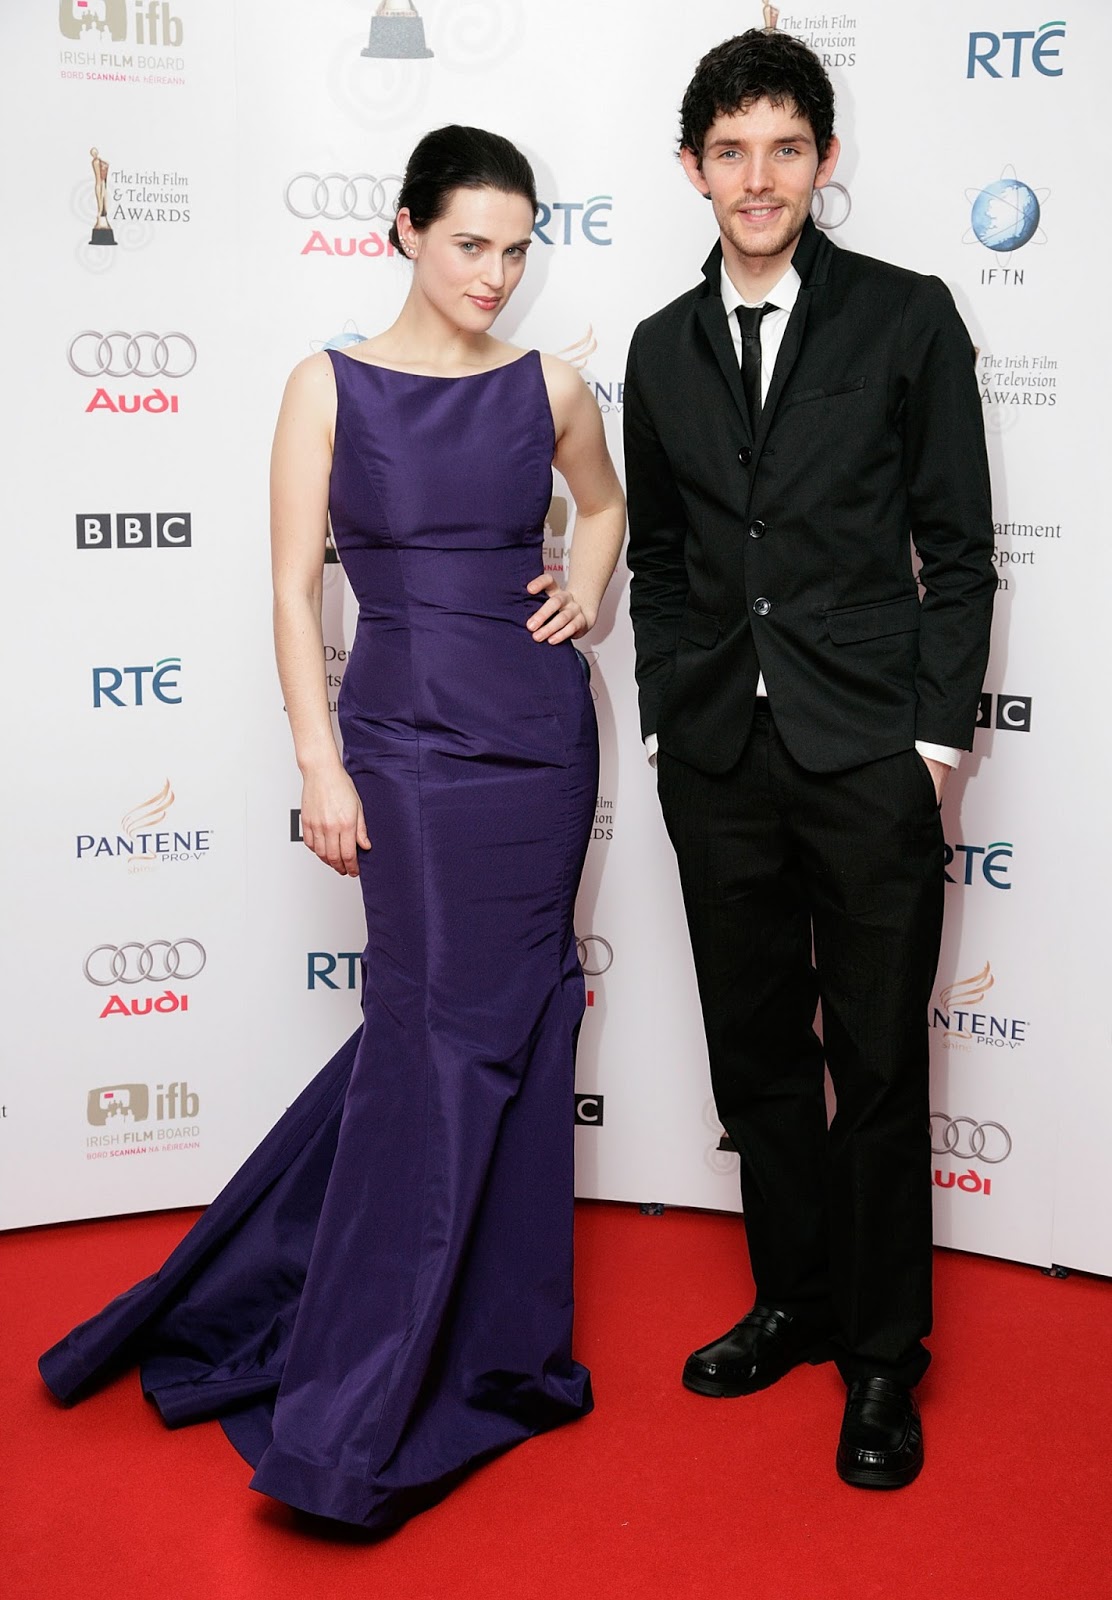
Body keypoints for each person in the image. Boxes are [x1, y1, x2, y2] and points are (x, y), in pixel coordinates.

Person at [40, 124, 626, 1533]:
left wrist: (586, 586)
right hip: (404, 748)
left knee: (515, 1023)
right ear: (404, 232)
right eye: (470, 242)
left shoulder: (551, 385)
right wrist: (322, 762)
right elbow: (294, 592)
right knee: (430, 1037)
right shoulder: (327, 385)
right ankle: (367, 1379)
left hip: (539, 743)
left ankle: (495, 1345)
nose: (495, 273)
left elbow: (604, 508)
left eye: (516, 249)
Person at [623, 29, 994, 1488]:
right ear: (694, 168)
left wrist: (932, 738)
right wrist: (669, 717)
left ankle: (883, 1354)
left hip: (867, 755)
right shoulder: (659, 347)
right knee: (758, 1052)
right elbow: (660, 559)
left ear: (824, 160)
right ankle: (794, 1298)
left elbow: (958, 549)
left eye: (785, 147)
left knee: (880, 1062)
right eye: (731, 151)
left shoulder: (907, 315)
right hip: (720, 755)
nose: (758, 177)